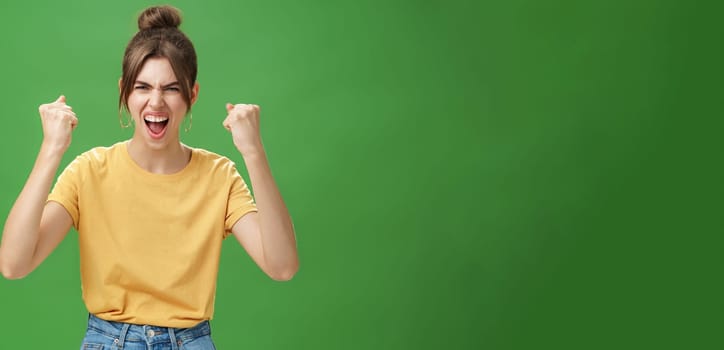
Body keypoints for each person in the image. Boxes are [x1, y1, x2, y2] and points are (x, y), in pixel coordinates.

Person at [0, 5, 298, 349]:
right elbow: (13, 264)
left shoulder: (220, 176)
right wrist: (51, 150)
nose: (156, 102)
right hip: (107, 340)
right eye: (143, 87)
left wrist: (254, 153)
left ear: (193, 95)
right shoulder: (89, 171)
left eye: (171, 88)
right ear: (125, 92)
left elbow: (282, 266)